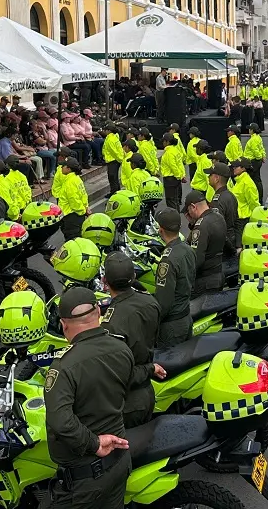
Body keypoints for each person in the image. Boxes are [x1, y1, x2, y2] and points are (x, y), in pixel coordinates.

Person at [45, 287, 134, 509]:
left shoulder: (63, 366)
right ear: (98, 313)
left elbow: (61, 422)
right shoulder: (122, 348)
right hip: (119, 462)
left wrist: (94, 443)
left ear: (64, 325)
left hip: (85, 478)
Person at [100, 252, 162, 429]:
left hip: (128, 402)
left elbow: (118, 374)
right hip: (147, 392)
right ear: (134, 276)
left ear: (105, 281)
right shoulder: (150, 302)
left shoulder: (111, 324)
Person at [153, 209, 194, 348]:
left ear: (161, 230)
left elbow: (164, 302)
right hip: (186, 316)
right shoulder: (187, 249)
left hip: (171, 326)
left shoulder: (167, 260)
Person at [183, 191, 226, 297]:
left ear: (193, 207)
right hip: (218, 274)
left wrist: (184, 278)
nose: (188, 214)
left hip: (204, 281)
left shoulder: (201, 226)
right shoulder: (218, 217)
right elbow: (227, 243)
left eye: (189, 211)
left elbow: (197, 259)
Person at [206, 163, 240, 256]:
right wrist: (238, 245)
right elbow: (237, 222)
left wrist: (232, 251)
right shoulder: (230, 195)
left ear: (216, 178)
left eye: (210, 175)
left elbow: (218, 230)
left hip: (224, 247)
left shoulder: (217, 201)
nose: (208, 177)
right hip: (232, 240)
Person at [54, 158, 90, 241]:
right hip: (77, 214)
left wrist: (82, 211)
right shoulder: (76, 179)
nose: (61, 168)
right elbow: (83, 195)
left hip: (71, 216)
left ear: (69, 169)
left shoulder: (70, 183)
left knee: (72, 240)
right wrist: (86, 208)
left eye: (63, 166)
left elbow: (74, 201)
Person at [159, 133, 185, 212]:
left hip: (170, 179)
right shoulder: (175, 150)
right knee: (175, 200)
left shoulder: (169, 153)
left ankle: (174, 219)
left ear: (167, 142)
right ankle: (177, 218)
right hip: (175, 178)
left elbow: (173, 166)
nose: (163, 143)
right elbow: (180, 164)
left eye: (164, 141)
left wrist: (178, 176)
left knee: (170, 201)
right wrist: (182, 175)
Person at [229, 159, 260, 223]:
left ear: (243, 169)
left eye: (236, 166)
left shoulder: (247, 183)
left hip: (243, 218)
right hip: (237, 216)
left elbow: (254, 203)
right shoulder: (239, 180)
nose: (233, 168)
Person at [243, 123, 267, 196]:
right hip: (256, 161)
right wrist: (263, 157)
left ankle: (257, 196)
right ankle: (259, 196)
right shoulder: (258, 137)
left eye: (250, 129)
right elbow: (261, 148)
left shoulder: (253, 140)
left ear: (252, 130)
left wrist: (259, 157)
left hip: (253, 161)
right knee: (257, 179)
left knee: (254, 180)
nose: (249, 130)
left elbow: (255, 150)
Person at [102, 124, 125, 193]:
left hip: (113, 160)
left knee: (112, 177)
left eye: (105, 130)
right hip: (115, 160)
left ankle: (114, 192)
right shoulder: (113, 137)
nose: (104, 131)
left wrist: (120, 159)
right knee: (114, 177)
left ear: (109, 131)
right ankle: (116, 191)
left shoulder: (110, 139)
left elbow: (114, 152)